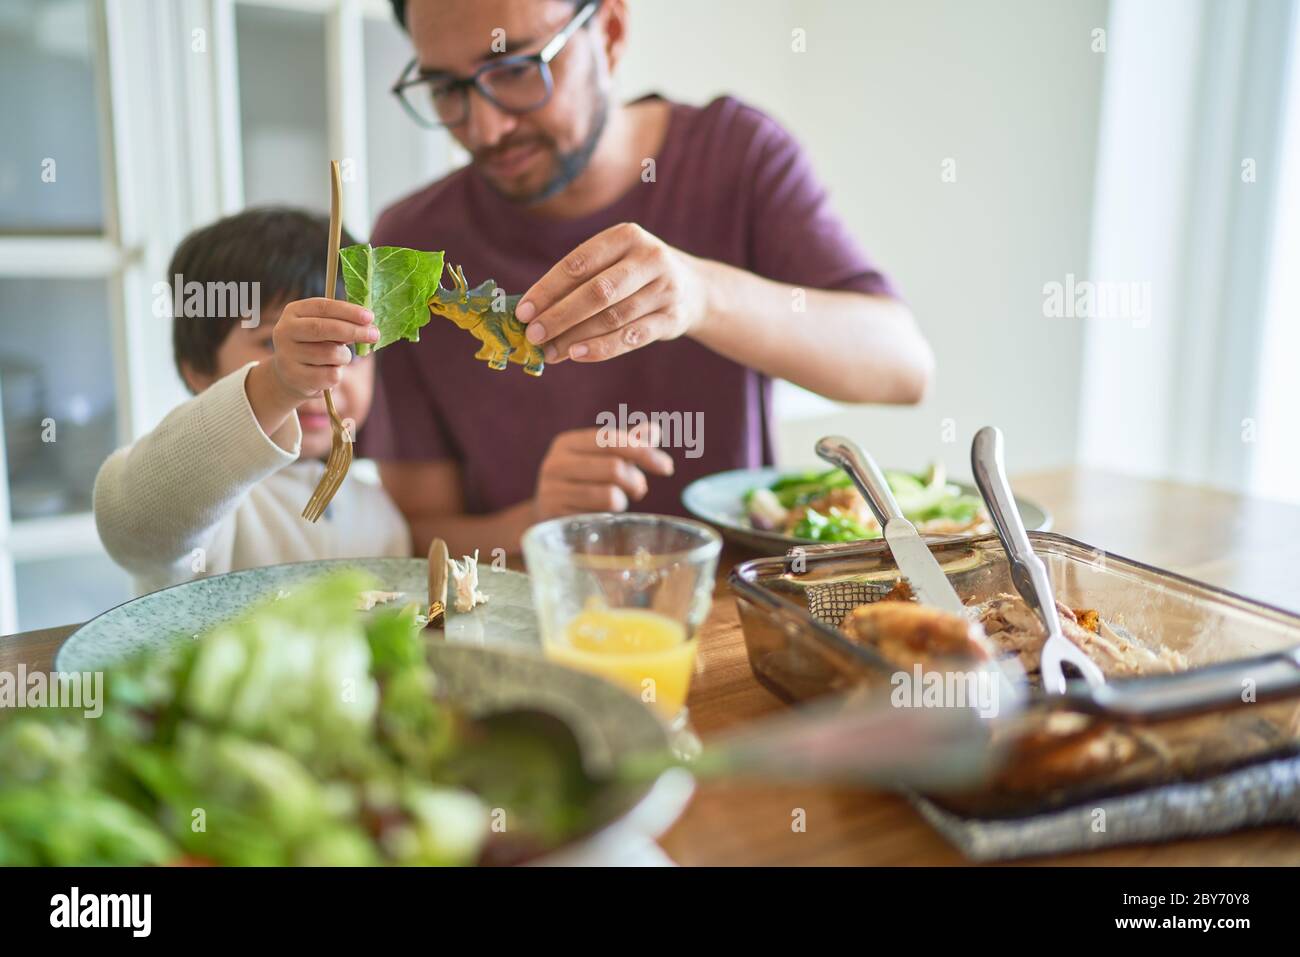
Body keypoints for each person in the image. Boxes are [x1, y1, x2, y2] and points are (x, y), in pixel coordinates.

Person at [363, 0, 934, 556]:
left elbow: (902, 366)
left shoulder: (735, 156)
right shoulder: (411, 246)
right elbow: (413, 536)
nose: (485, 129)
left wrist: (703, 295)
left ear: (609, 31)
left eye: (514, 69)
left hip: (737, 616)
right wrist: (533, 521)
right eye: (445, 89)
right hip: (525, 628)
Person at [94, 208, 409, 594]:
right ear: (198, 367)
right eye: (276, 344)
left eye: (353, 350)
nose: (328, 373)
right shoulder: (208, 510)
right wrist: (275, 384)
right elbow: (130, 524)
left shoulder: (380, 517)